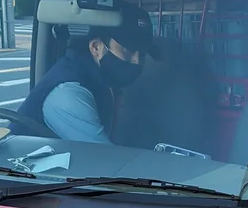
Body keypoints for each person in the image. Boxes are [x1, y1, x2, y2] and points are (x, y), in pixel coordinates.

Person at [18, 9, 154, 143]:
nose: (137, 61)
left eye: (142, 54)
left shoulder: (102, 80)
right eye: (127, 51)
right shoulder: (69, 94)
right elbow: (105, 159)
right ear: (96, 47)